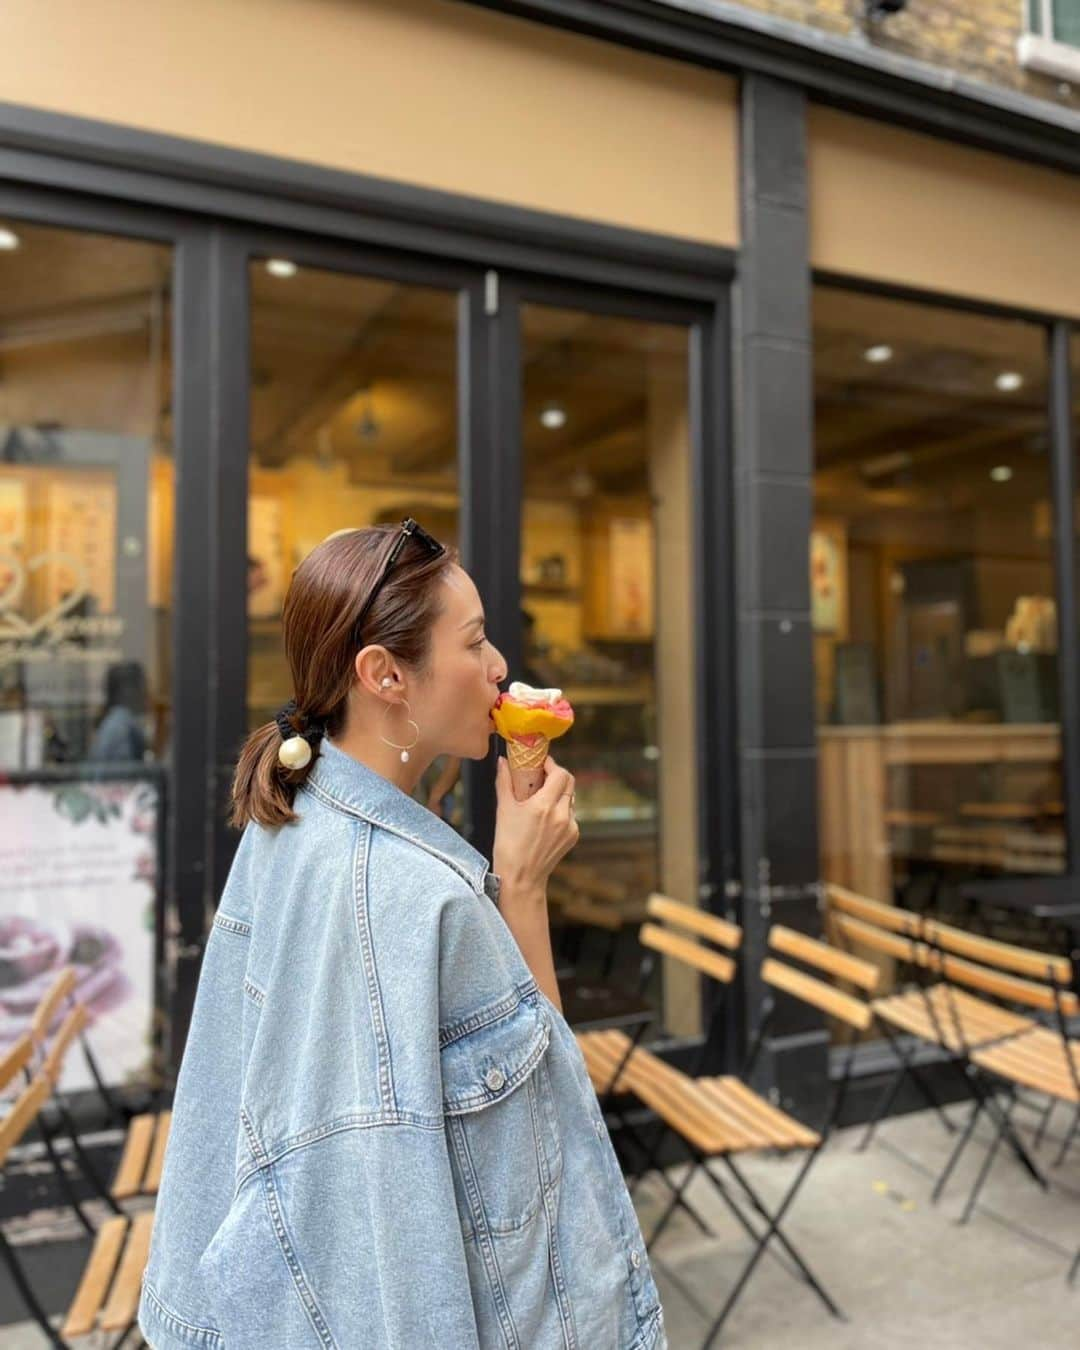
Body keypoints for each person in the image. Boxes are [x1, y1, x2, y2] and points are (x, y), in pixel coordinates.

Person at [138, 520, 666, 1350]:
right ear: (384, 674)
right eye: (476, 640)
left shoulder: (291, 817)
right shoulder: (417, 896)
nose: (499, 667)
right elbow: (539, 1150)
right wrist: (521, 889)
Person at [87, 661, 147, 762]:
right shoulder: (121, 727)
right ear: (128, 691)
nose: (146, 693)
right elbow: (125, 774)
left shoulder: (117, 721)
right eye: (142, 687)